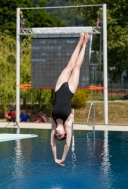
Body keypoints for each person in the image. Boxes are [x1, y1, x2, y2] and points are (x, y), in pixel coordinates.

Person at [51, 32, 90, 166]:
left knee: (69, 64)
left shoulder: (54, 122)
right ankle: (85, 44)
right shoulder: (68, 123)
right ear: (65, 132)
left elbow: (52, 143)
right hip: (70, 90)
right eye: (60, 135)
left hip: (58, 88)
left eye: (57, 136)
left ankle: (79, 42)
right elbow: (67, 145)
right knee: (77, 66)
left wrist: (55, 158)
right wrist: (62, 158)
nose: (57, 134)